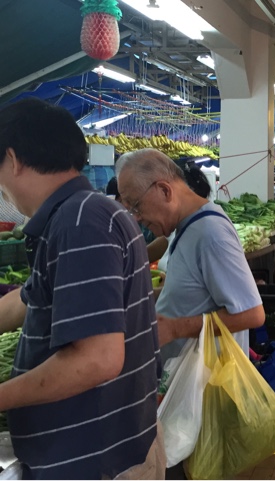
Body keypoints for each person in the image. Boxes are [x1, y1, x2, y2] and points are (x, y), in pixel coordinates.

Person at [0, 98, 164, 479]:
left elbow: (97, 359)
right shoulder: (82, 212)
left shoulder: (80, 222)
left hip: (96, 462)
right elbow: (27, 301)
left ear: (13, 160)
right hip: (103, 450)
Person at [115, 149, 265, 367]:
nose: (136, 218)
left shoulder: (210, 233)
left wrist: (175, 328)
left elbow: (251, 314)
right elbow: (191, 296)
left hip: (206, 381)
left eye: (136, 206)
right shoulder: (187, 226)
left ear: (164, 191)